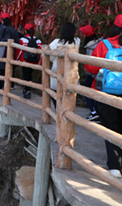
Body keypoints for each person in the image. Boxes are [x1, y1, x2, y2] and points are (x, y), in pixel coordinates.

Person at [85, 14, 122, 178]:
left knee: (111, 127)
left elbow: (91, 68)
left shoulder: (105, 44)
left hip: (106, 92)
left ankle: (115, 167)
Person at [49, 22, 81, 92]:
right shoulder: (77, 41)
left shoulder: (56, 42)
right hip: (72, 72)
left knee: (56, 95)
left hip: (57, 69)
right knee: (69, 94)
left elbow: (50, 57)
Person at [0, 13, 20, 89]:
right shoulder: (13, 30)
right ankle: (9, 85)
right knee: (8, 68)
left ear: (2, 20)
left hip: (0, 50)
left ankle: (0, 86)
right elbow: (17, 42)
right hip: (10, 52)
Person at [80, 24, 100, 121]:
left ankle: (94, 112)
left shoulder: (89, 47)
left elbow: (89, 63)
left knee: (87, 91)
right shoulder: (100, 42)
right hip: (102, 72)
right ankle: (98, 111)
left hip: (92, 73)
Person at [17, 23, 42, 99]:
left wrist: (17, 59)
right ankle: (27, 89)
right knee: (29, 75)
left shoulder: (22, 40)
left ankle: (27, 90)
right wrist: (40, 62)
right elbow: (41, 51)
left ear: (25, 30)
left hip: (25, 61)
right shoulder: (38, 40)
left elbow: (19, 51)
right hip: (34, 61)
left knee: (26, 75)